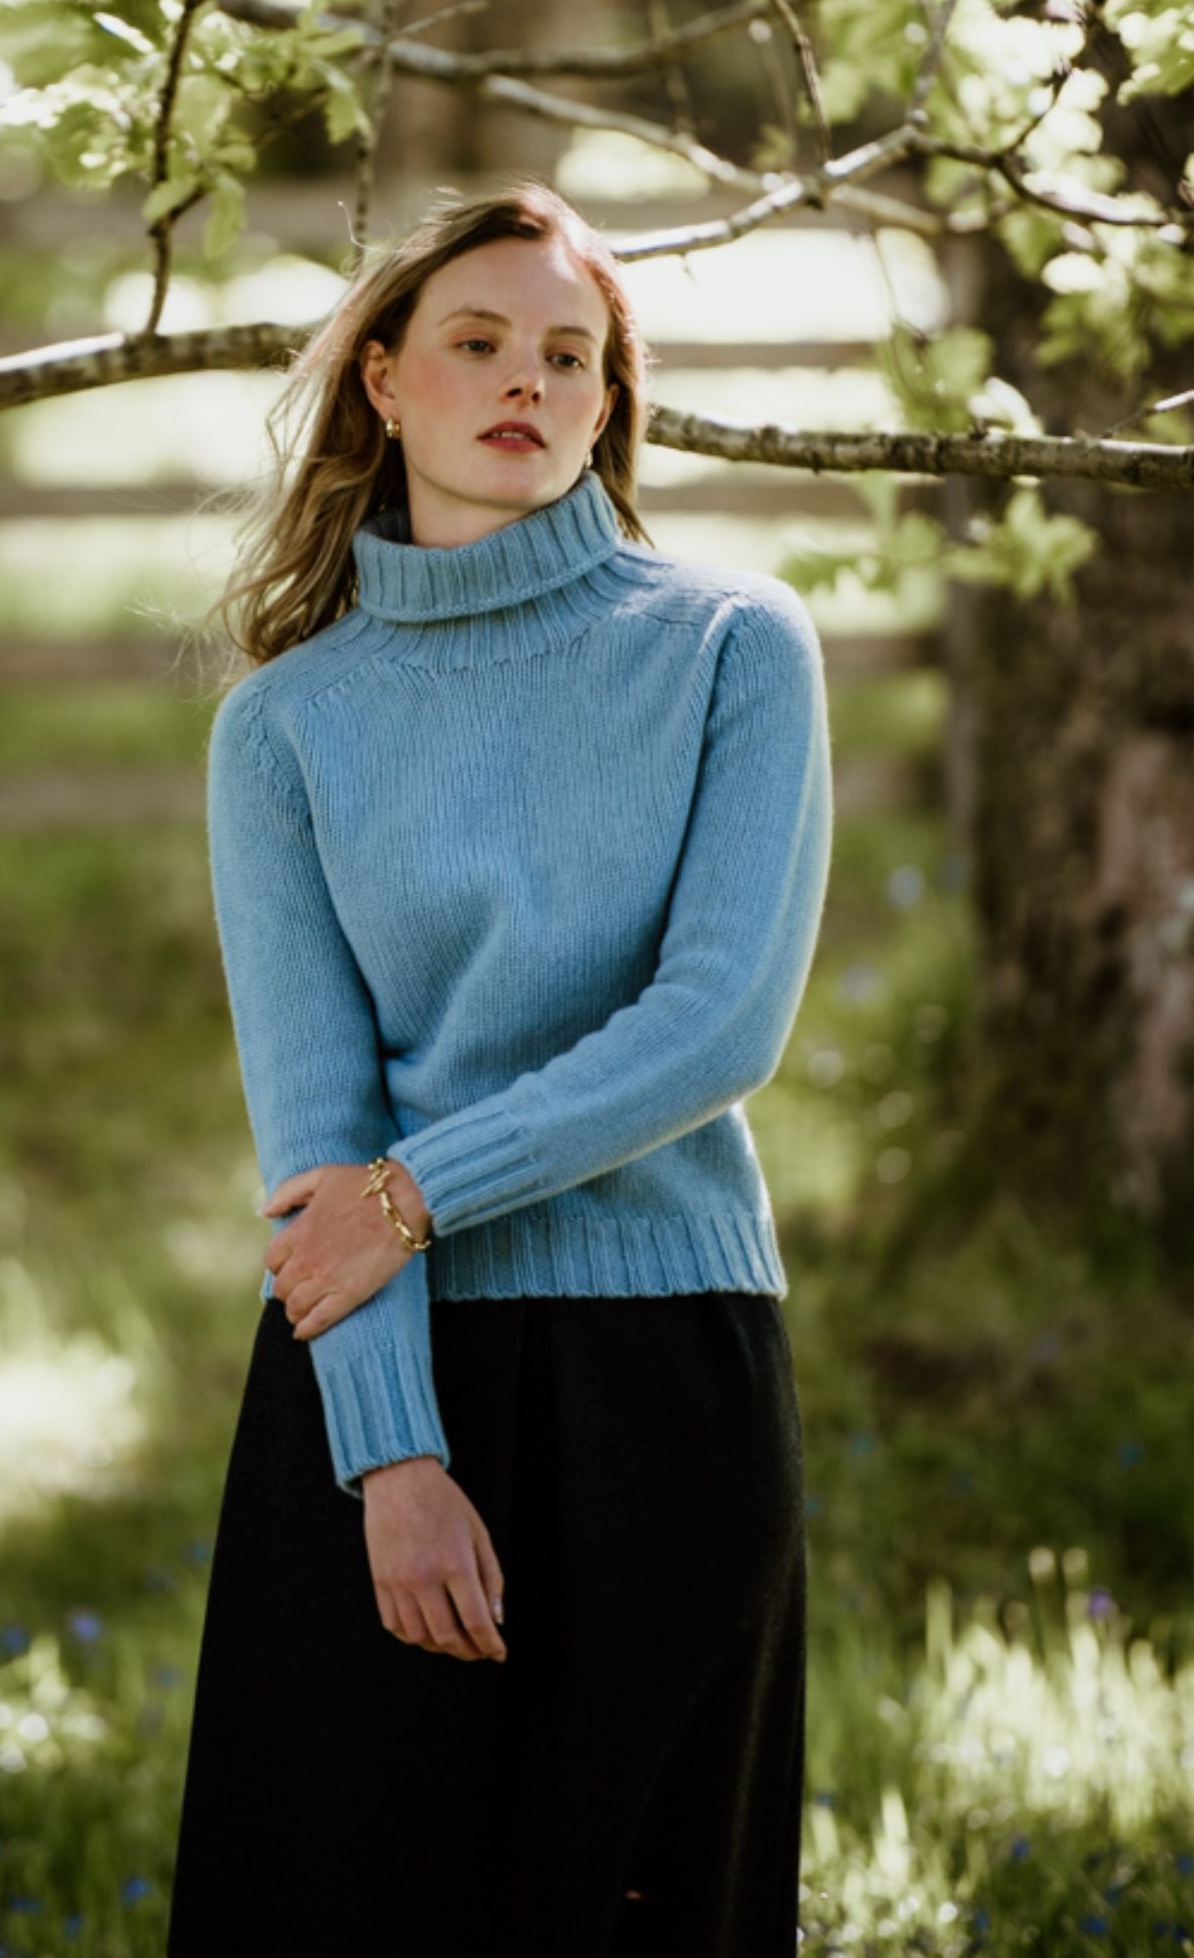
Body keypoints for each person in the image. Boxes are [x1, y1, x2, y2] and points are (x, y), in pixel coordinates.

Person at [166, 178, 833, 1958]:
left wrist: (416, 1196)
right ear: (383, 379)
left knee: (640, 1906)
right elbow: (320, 1125)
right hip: (382, 1368)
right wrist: (390, 1456)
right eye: (477, 341)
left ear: (610, 403)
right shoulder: (286, 724)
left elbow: (719, 1026)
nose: (525, 380)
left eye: (571, 354)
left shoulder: (730, 649)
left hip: (666, 1361)